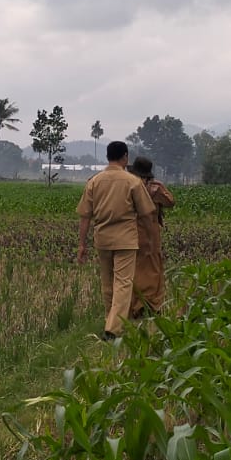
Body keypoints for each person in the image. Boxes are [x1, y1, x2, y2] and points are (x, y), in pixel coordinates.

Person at [76, 140, 156, 340]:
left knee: (107, 283)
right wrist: (152, 240)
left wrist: (82, 244)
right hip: (126, 239)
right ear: (125, 157)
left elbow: (85, 216)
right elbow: (146, 214)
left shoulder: (94, 181)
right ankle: (113, 329)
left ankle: (110, 320)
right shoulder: (133, 182)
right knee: (123, 283)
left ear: (107, 157)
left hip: (102, 239)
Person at [129, 155, 176, 316]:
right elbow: (170, 202)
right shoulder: (155, 188)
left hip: (132, 231)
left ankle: (135, 305)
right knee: (154, 267)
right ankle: (151, 304)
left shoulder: (129, 184)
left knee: (134, 268)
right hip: (151, 232)